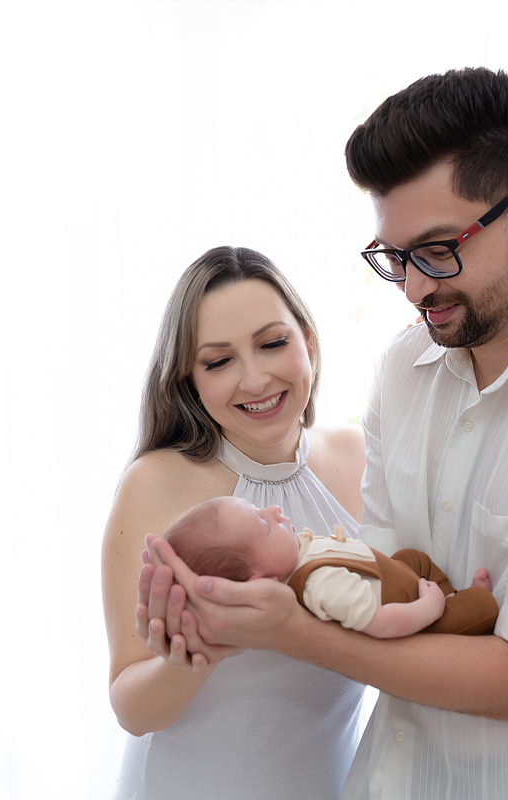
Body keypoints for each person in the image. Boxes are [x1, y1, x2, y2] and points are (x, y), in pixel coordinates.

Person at [139, 67, 508, 799]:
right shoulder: (405, 369)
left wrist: (289, 630)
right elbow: (378, 579)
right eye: (394, 258)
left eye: (439, 249)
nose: (414, 288)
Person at [101, 246, 368, 799]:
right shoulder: (155, 482)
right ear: (190, 380)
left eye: (273, 343)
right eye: (218, 362)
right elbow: (130, 705)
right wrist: (200, 651)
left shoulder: (361, 457)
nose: (255, 379)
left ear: (308, 340)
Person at [162, 495, 499, 637]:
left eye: (260, 509)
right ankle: (458, 605)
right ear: (260, 580)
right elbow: (381, 623)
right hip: (412, 614)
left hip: (394, 577)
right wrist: (430, 606)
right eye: (264, 525)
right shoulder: (318, 586)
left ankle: (448, 592)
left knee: (412, 558)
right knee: (483, 607)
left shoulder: (296, 553)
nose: (274, 511)